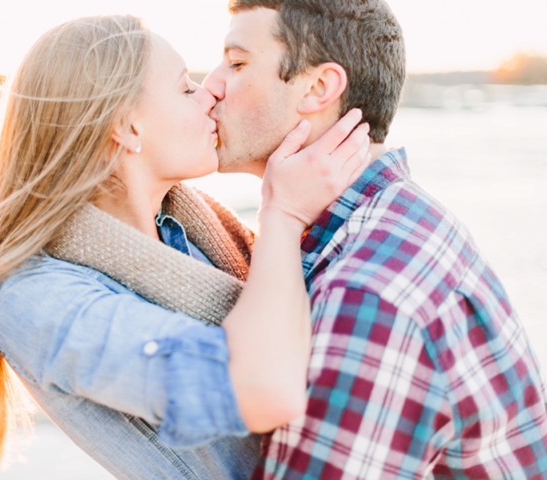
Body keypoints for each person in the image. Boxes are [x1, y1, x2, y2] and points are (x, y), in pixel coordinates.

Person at [0, 15, 371, 480]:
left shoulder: (188, 228)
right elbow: (261, 390)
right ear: (125, 126)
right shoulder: (34, 298)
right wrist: (282, 214)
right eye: (186, 88)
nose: (212, 92)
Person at [193, 1, 547, 478]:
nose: (210, 84)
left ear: (319, 88)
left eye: (236, 64)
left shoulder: (370, 292)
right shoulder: (385, 216)